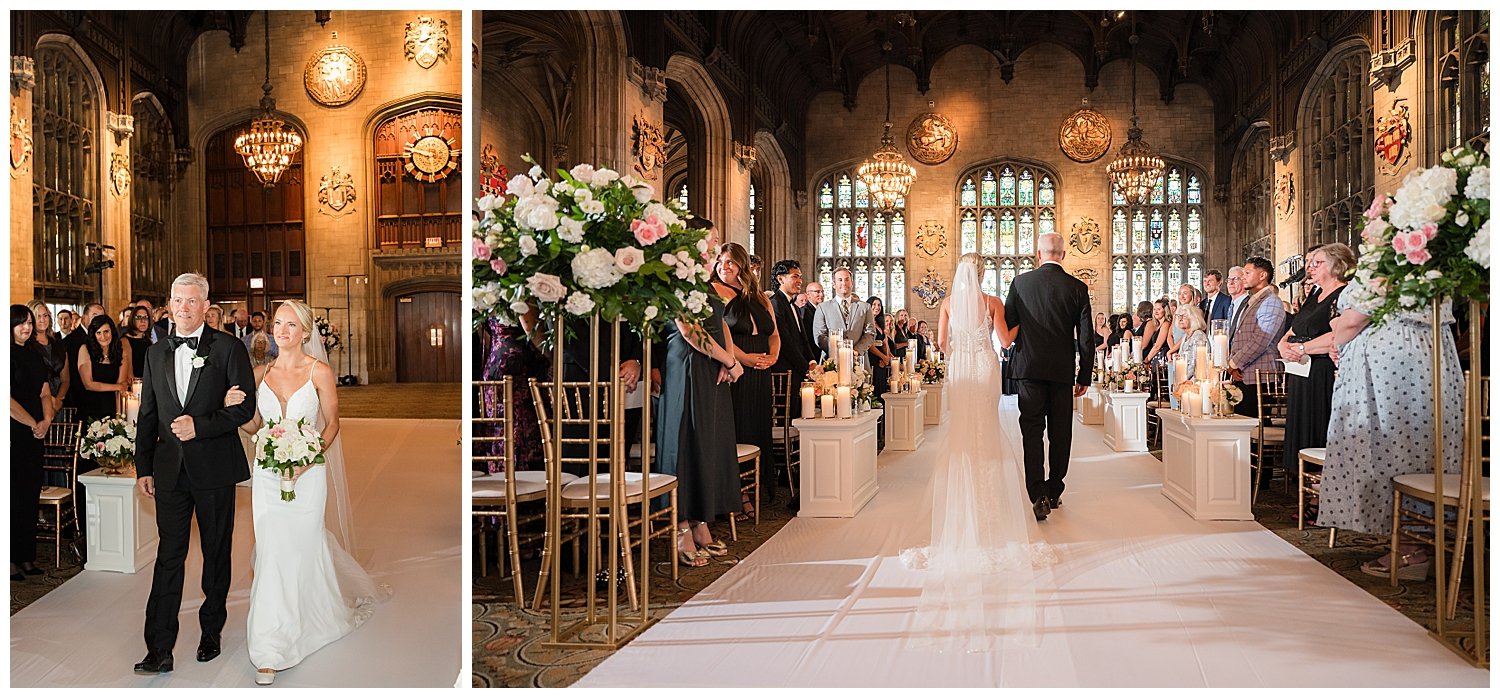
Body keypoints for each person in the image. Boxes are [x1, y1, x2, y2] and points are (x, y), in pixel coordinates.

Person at [224, 299, 389, 685]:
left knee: (301, 545)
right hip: (266, 474)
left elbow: (332, 424)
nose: (281, 330)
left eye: (290, 324)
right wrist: (234, 408)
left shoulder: (321, 372)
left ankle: (312, 618)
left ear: (305, 332)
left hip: (308, 473)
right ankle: (269, 648)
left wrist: (307, 457)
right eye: (278, 323)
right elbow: (256, 425)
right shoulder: (260, 372)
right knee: (270, 551)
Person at [900, 253, 1054, 652]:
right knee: (987, 429)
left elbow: (940, 343)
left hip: (960, 370)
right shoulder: (993, 303)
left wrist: (958, 349)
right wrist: (1021, 326)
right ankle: (991, 507)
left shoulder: (948, 303)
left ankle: (963, 497)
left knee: (961, 433)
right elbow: (1005, 340)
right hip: (985, 366)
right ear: (982, 274)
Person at [133, 273, 258, 676]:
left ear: (206, 306)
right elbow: (147, 415)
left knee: (216, 553)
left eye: (192, 301)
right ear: (168, 304)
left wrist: (199, 426)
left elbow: (244, 409)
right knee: (169, 557)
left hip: (215, 468)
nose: (184, 307)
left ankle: (211, 631)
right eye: (177, 300)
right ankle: (158, 648)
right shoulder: (155, 354)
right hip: (169, 471)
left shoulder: (229, 348)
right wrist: (144, 467)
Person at [1317, 274, 1463, 579]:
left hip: (1398, 375)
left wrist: (1340, 338)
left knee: (1402, 454)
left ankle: (1412, 549)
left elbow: (1356, 317)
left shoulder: (1398, 254)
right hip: (1407, 364)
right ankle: (1413, 542)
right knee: (1406, 453)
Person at [657, 217, 743, 563]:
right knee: (685, 443)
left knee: (707, 444)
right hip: (688, 366)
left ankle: (699, 520)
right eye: (711, 240)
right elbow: (690, 330)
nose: (716, 247)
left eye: (718, 240)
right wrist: (728, 360)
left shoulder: (704, 282)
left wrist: (729, 359)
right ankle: (679, 526)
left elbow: (719, 322)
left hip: (711, 366)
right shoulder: (678, 278)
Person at [1004, 234, 1095, 519]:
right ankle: (1054, 490)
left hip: (1028, 369)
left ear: (1038, 254)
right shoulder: (1078, 288)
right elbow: (1086, 339)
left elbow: (1009, 325)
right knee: (1060, 433)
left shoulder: (1020, 283)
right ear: (1064, 255)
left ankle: (1037, 494)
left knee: (1031, 433)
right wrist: (1084, 375)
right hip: (1061, 371)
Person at [1277, 243, 1352, 490]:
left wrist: (1301, 349)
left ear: (1335, 265)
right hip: (1301, 373)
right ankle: (1305, 491)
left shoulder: (1342, 296)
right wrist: (1282, 345)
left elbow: (1337, 335)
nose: (1310, 267)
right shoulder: (1314, 294)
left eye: (1316, 263)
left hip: (1323, 373)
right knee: (1303, 431)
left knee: (1320, 430)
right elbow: (1296, 327)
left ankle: (1322, 494)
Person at [716, 241, 778, 520]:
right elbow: (721, 335)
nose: (724, 267)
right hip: (736, 370)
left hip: (761, 372)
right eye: (720, 261)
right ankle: (738, 493)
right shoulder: (716, 291)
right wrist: (746, 359)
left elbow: (774, 333)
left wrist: (772, 357)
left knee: (757, 426)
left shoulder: (762, 297)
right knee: (737, 430)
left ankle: (759, 486)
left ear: (741, 264)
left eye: (729, 261)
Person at [11, 305, 55, 581]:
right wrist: (32, 423)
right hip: (14, 431)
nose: (26, 328)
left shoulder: (35, 353)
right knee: (12, 496)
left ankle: (26, 556)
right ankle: (10, 560)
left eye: (29, 323)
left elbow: (45, 391)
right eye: (20, 324)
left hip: (35, 433)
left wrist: (47, 421)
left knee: (29, 495)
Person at [477, 313, 547, 472]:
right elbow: (530, 328)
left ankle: (500, 471)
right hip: (517, 363)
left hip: (495, 360)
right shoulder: (518, 291)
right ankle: (520, 476)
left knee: (500, 420)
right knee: (518, 421)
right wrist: (553, 358)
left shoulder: (489, 292)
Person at [1226, 257, 1282, 420]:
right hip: (1244, 375)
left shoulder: (1271, 302)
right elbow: (1241, 335)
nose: (1243, 277)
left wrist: (1233, 363)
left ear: (1263, 275)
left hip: (1260, 376)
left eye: (1248, 273)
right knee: (1240, 426)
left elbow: (1260, 340)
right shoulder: (1253, 302)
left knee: (1254, 427)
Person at [77, 315, 132, 424]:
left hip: (113, 408)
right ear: (93, 335)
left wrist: (119, 416)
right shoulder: (85, 349)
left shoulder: (121, 352)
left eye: (106, 331)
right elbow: (88, 384)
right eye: (98, 333)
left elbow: (122, 384)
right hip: (90, 408)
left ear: (112, 331)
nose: (103, 336)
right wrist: (117, 387)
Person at [812, 267, 877, 357]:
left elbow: (870, 333)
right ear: (833, 284)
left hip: (859, 360)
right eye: (840, 280)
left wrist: (856, 351)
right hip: (831, 360)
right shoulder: (823, 308)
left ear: (852, 283)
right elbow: (820, 336)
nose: (844, 283)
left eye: (847, 280)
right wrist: (840, 351)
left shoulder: (865, 307)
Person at [768, 259, 812, 387]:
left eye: (800, 277)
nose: (800, 281)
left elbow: (803, 339)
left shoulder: (795, 306)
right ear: (781, 279)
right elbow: (785, 341)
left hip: (798, 369)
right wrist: (805, 367)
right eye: (795, 277)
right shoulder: (775, 304)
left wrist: (812, 361)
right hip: (785, 371)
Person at [26, 300, 71, 414]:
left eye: (45, 315)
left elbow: (65, 379)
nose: (42, 319)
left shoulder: (59, 344)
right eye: (38, 316)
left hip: (58, 403)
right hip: (35, 402)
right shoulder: (27, 345)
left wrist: (58, 401)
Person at [62, 303, 105, 411]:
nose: (99, 320)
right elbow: (71, 376)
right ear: (84, 318)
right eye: (95, 316)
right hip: (79, 402)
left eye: (102, 317)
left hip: (97, 398)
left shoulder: (102, 338)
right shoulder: (71, 341)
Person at [1171, 305, 1211, 410]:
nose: (1180, 319)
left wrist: (1182, 381)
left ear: (1193, 318)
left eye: (1184, 316)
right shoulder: (1186, 336)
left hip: (1195, 383)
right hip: (1185, 381)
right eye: (1178, 316)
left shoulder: (1198, 336)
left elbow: (1196, 363)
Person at [866, 296, 893, 400]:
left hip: (882, 360)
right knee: (874, 390)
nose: (877, 307)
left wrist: (886, 358)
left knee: (882, 391)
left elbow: (885, 342)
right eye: (874, 304)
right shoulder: (866, 322)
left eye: (879, 305)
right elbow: (870, 345)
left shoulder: (879, 323)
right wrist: (883, 357)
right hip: (872, 359)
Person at [1168, 285, 1201, 358]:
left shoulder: (1196, 312)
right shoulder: (1177, 312)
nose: (1181, 296)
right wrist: (1173, 351)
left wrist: (1173, 351)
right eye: (1179, 293)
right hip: (1174, 353)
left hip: (1186, 353)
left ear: (1192, 295)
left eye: (1185, 293)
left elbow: (1187, 335)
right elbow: (1169, 335)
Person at [125, 306, 154, 380]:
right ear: (132, 320)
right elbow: (129, 374)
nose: (143, 321)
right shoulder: (125, 341)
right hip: (134, 385)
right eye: (138, 317)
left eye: (145, 317)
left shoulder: (148, 340)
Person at [1142, 299, 1171, 365]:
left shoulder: (1166, 324)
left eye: (1159, 309)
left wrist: (1146, 360)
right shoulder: (1157, 325)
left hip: (1162, 359)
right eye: (1154, 309)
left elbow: (1158, 346)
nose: (1156, 312)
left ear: (1165, 310)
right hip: (1156, 358)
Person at [799, 281, 823, 361]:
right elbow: (806, 337)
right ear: (808, 295)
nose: (821, 295)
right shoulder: (805, 311)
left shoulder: (819, 309)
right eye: (817, 292)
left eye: (822, 291)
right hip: (812, 355)